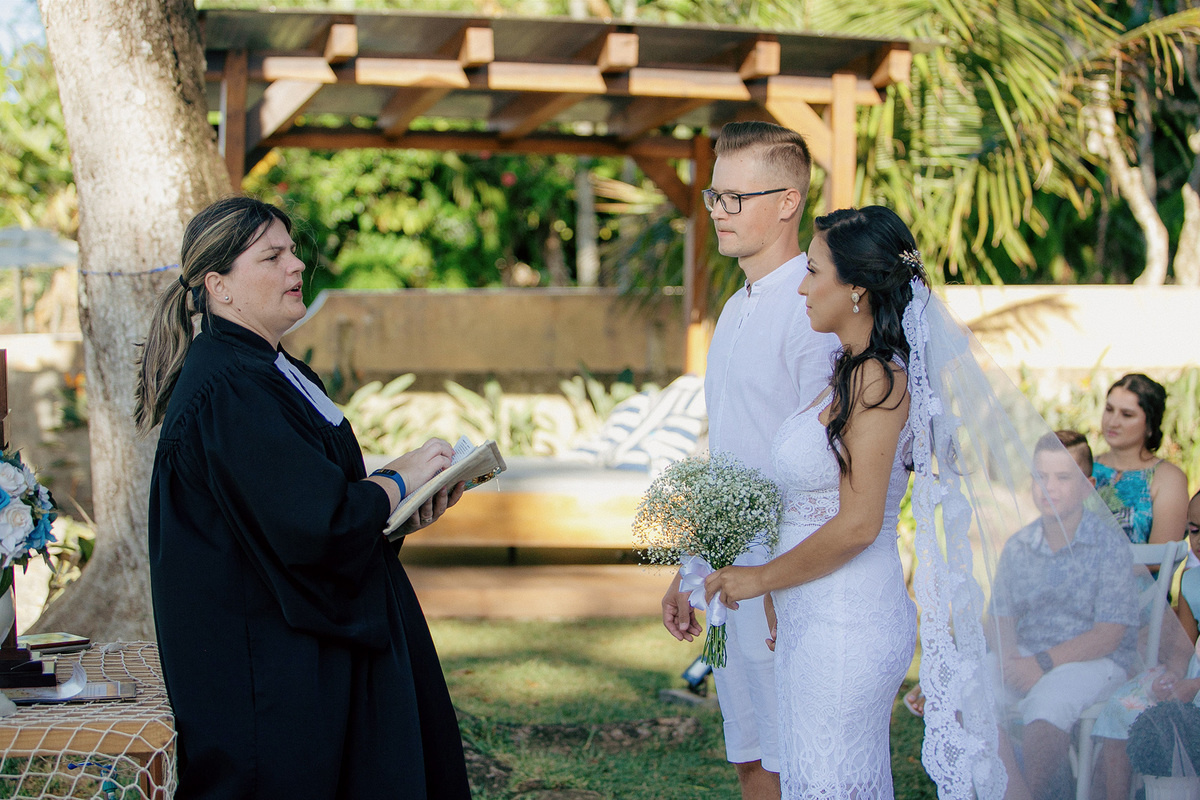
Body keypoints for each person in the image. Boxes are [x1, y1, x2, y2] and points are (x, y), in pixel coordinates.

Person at [135, 197, 471, 799]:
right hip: (271, 679)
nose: (296, 266)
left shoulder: (272, 370)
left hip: (311, 658)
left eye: (292, 251)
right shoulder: (229, 389)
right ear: (219, 286)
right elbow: (315, 524)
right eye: (272, 257)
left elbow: (308, 500)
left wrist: (399, 505)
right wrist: (397, 480)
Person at [704, 206, 920, 798]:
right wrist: (782, 591)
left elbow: (858, 524)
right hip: (813, 613)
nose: (801, 286)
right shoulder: (847, 372)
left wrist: (761, 578)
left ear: (856, 289)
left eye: (814, 271)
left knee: (830, 782)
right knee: (811, 780)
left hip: (848, 620)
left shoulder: (879, 381)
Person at [660, 121, 839, 800]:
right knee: (751, 757)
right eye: (715, 196)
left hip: (785, 580)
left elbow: (826, 468)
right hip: (729, 578)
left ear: (789, 202)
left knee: (797, 764)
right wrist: (691, 568)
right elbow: (728, 453)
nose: (719, 211)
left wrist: (779, 585)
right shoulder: (734, 307)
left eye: (737, 198)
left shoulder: (813, 312)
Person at [988, 431, 1137, 800]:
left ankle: (1034, 792)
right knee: (969, 690)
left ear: (1088, 487)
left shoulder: (1109, 545)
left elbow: (1109, 633)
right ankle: (1017, 794)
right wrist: (1009, 657)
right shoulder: (1020, 545)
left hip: (1093, 659)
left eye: (1063, 478)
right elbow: (1000, 617)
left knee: (1049, 702)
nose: (1049, 488)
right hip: (1027, 654)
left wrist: (1040, 664)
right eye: (1041, 477)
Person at [1091, 488, 1200, 800]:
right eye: (1194, 531)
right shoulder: (1191, 580)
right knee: (1125, 704)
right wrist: (1173, 677)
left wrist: (1193, 686)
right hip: (1192, 675)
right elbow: (1184, 647)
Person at [1094, 373, 1188, 545]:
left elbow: (1162, 554)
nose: (1113, 422)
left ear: (1150, 424)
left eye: (1127, 414)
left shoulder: (1168, 478)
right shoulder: (1083, 466)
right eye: (1109, 409)